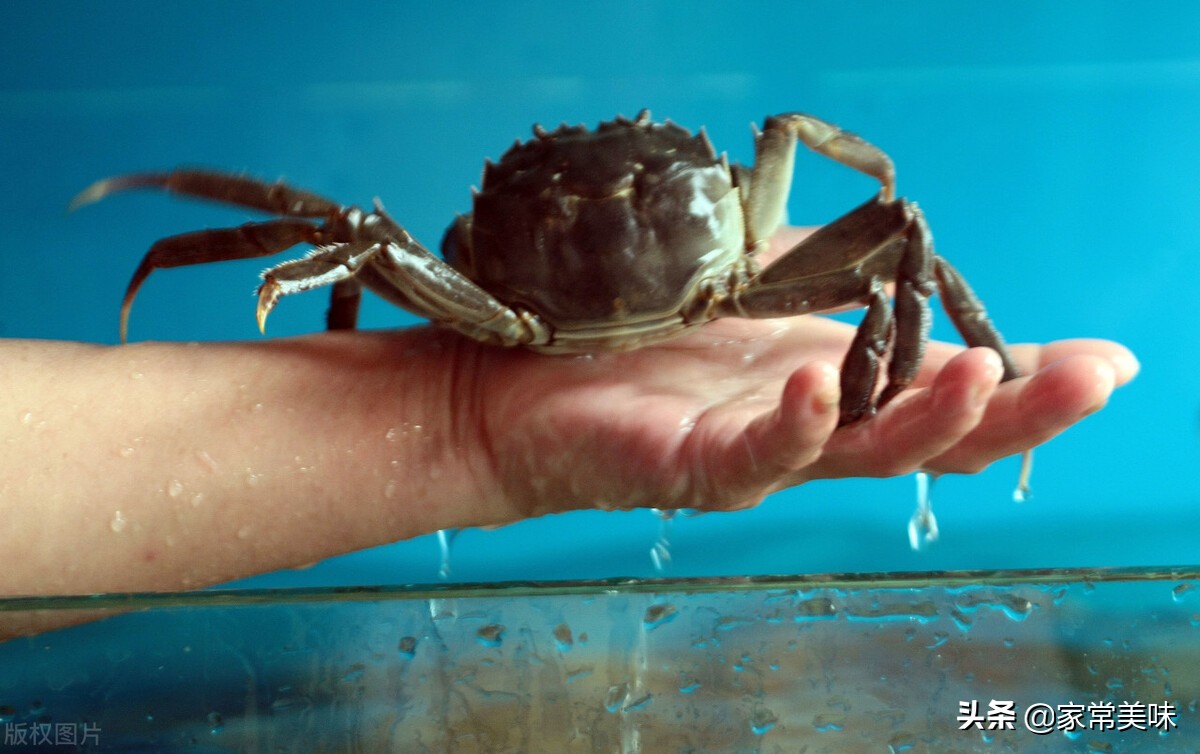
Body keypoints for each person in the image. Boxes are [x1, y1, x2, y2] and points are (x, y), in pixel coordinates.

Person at [0, 227, 1136, 636]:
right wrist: (445, 407)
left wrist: (445, 410)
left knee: (899, 245)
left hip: (568, 318)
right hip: (521, 325)